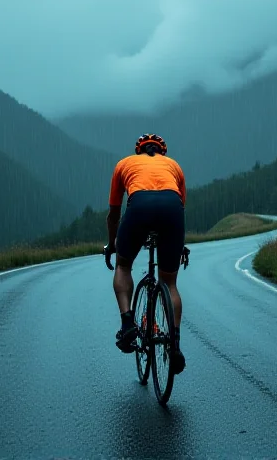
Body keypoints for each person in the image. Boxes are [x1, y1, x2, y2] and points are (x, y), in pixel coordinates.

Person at [104, 133, 187, 374]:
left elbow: (113, 213)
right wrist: (178, 244)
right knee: (170, 282)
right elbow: (181, 208)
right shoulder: (174, 166)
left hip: (138, 206)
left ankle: (127, 323)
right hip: (172, 210)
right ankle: (175, 345)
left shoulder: (124, 164)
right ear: (163, 152)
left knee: (123, 266)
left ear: (138, 151)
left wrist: (112, 244)